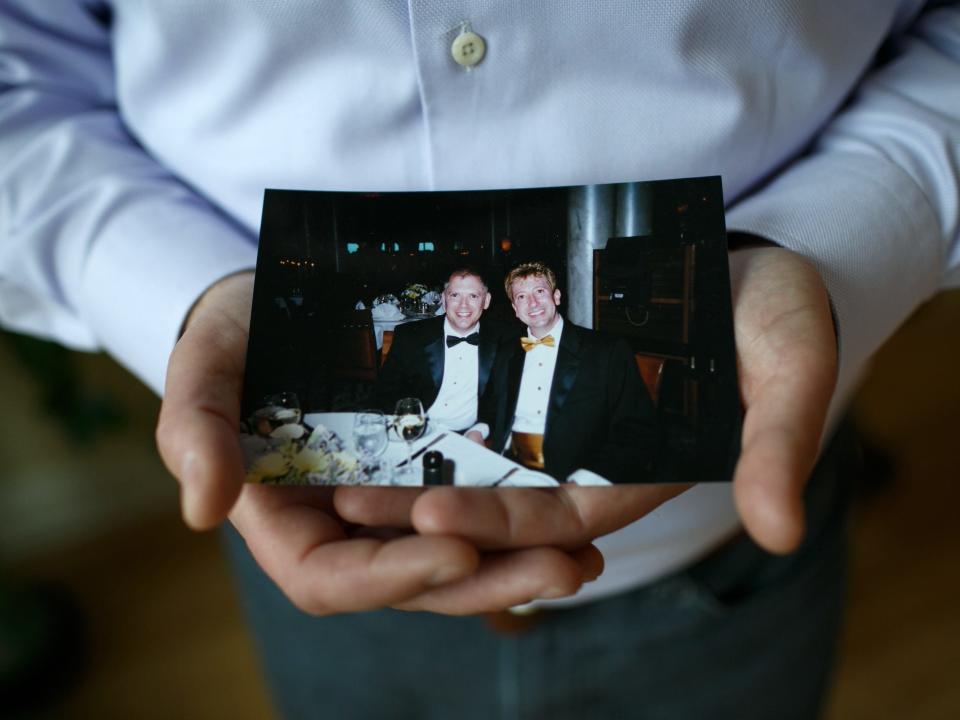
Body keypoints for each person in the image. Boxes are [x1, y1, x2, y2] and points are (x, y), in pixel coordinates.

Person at [1, 2, 958, 718]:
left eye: (517, 298)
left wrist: (836, 244)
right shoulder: (410, 343)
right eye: (475, 299)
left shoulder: (578, 349)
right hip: (311, 534)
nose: (498, 306)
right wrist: (188, 297)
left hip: (724, 551)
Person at [468, 261, 658, 484]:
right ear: (515, 309)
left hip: (570, 473)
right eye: (521, 296)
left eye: (540, 291)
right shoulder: (508, 350)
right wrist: (478, 431)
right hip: (506, 464)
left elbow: (636, 430)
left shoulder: (606, 352)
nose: (532, 302)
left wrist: (587, 479)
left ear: (556, 297)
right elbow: (492, 405)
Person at [373, 268, 513, 432]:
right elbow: (383, 394)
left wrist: (481, 430)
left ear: (486, 300)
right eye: (455, 295)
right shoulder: (411, 336)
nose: (463, 305)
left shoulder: (503, 340)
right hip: (417, 430)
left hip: (470, 435)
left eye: (473, 296)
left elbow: (504, 400)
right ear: (443, 299)